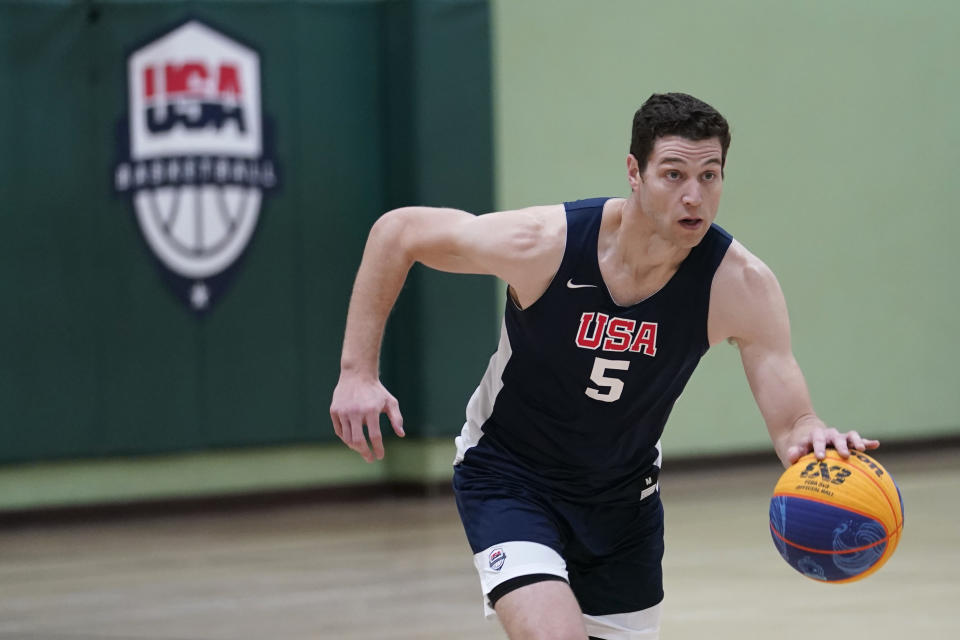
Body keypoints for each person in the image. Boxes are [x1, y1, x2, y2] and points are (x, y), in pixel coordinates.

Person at [329, 92, 879, 640]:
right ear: (634, 172)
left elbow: (792, 422)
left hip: (623, 505)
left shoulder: (739, 285)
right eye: (674, 174)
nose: (694, 196)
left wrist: (813, 439)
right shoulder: (545, 244)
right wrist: (357, 371)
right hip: (511, 477)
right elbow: (398, 232)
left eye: (710, 176)